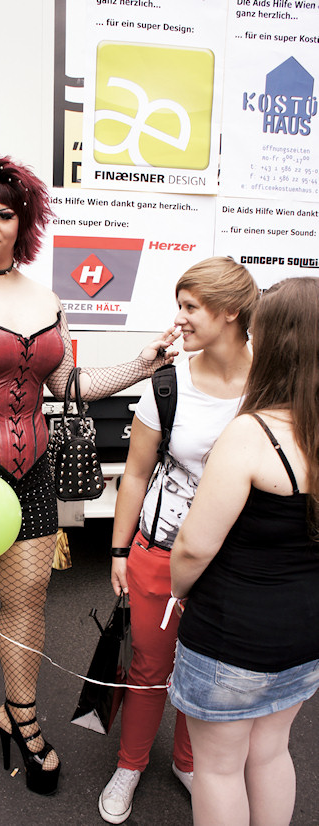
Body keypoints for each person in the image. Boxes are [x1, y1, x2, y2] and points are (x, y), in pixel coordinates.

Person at [0, 154, 177, 796]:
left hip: (32, 472)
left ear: (25, 224)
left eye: (5, 214)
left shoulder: (44, 298)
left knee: (27, 600)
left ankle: (21, 715)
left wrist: (141, 362)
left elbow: (66, 385)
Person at [98, 257, 259, 824]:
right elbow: (135, 474)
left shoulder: (271, 381)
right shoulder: (169, 382)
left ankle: (191, 765)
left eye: (191, 307)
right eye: (180, 305)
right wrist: (119, 550)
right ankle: (131, 765)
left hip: (239, 562)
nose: (180, 319)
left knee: (208, 673)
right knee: (148, 667)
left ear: (230, 313)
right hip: (160, 552)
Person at [168, 277, 319, 826]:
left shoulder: (252, 434)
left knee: (219, 767)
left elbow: (192, 548)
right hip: (304, 633)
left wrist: (177, 590)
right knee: (273, 750)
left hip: (233, 635)